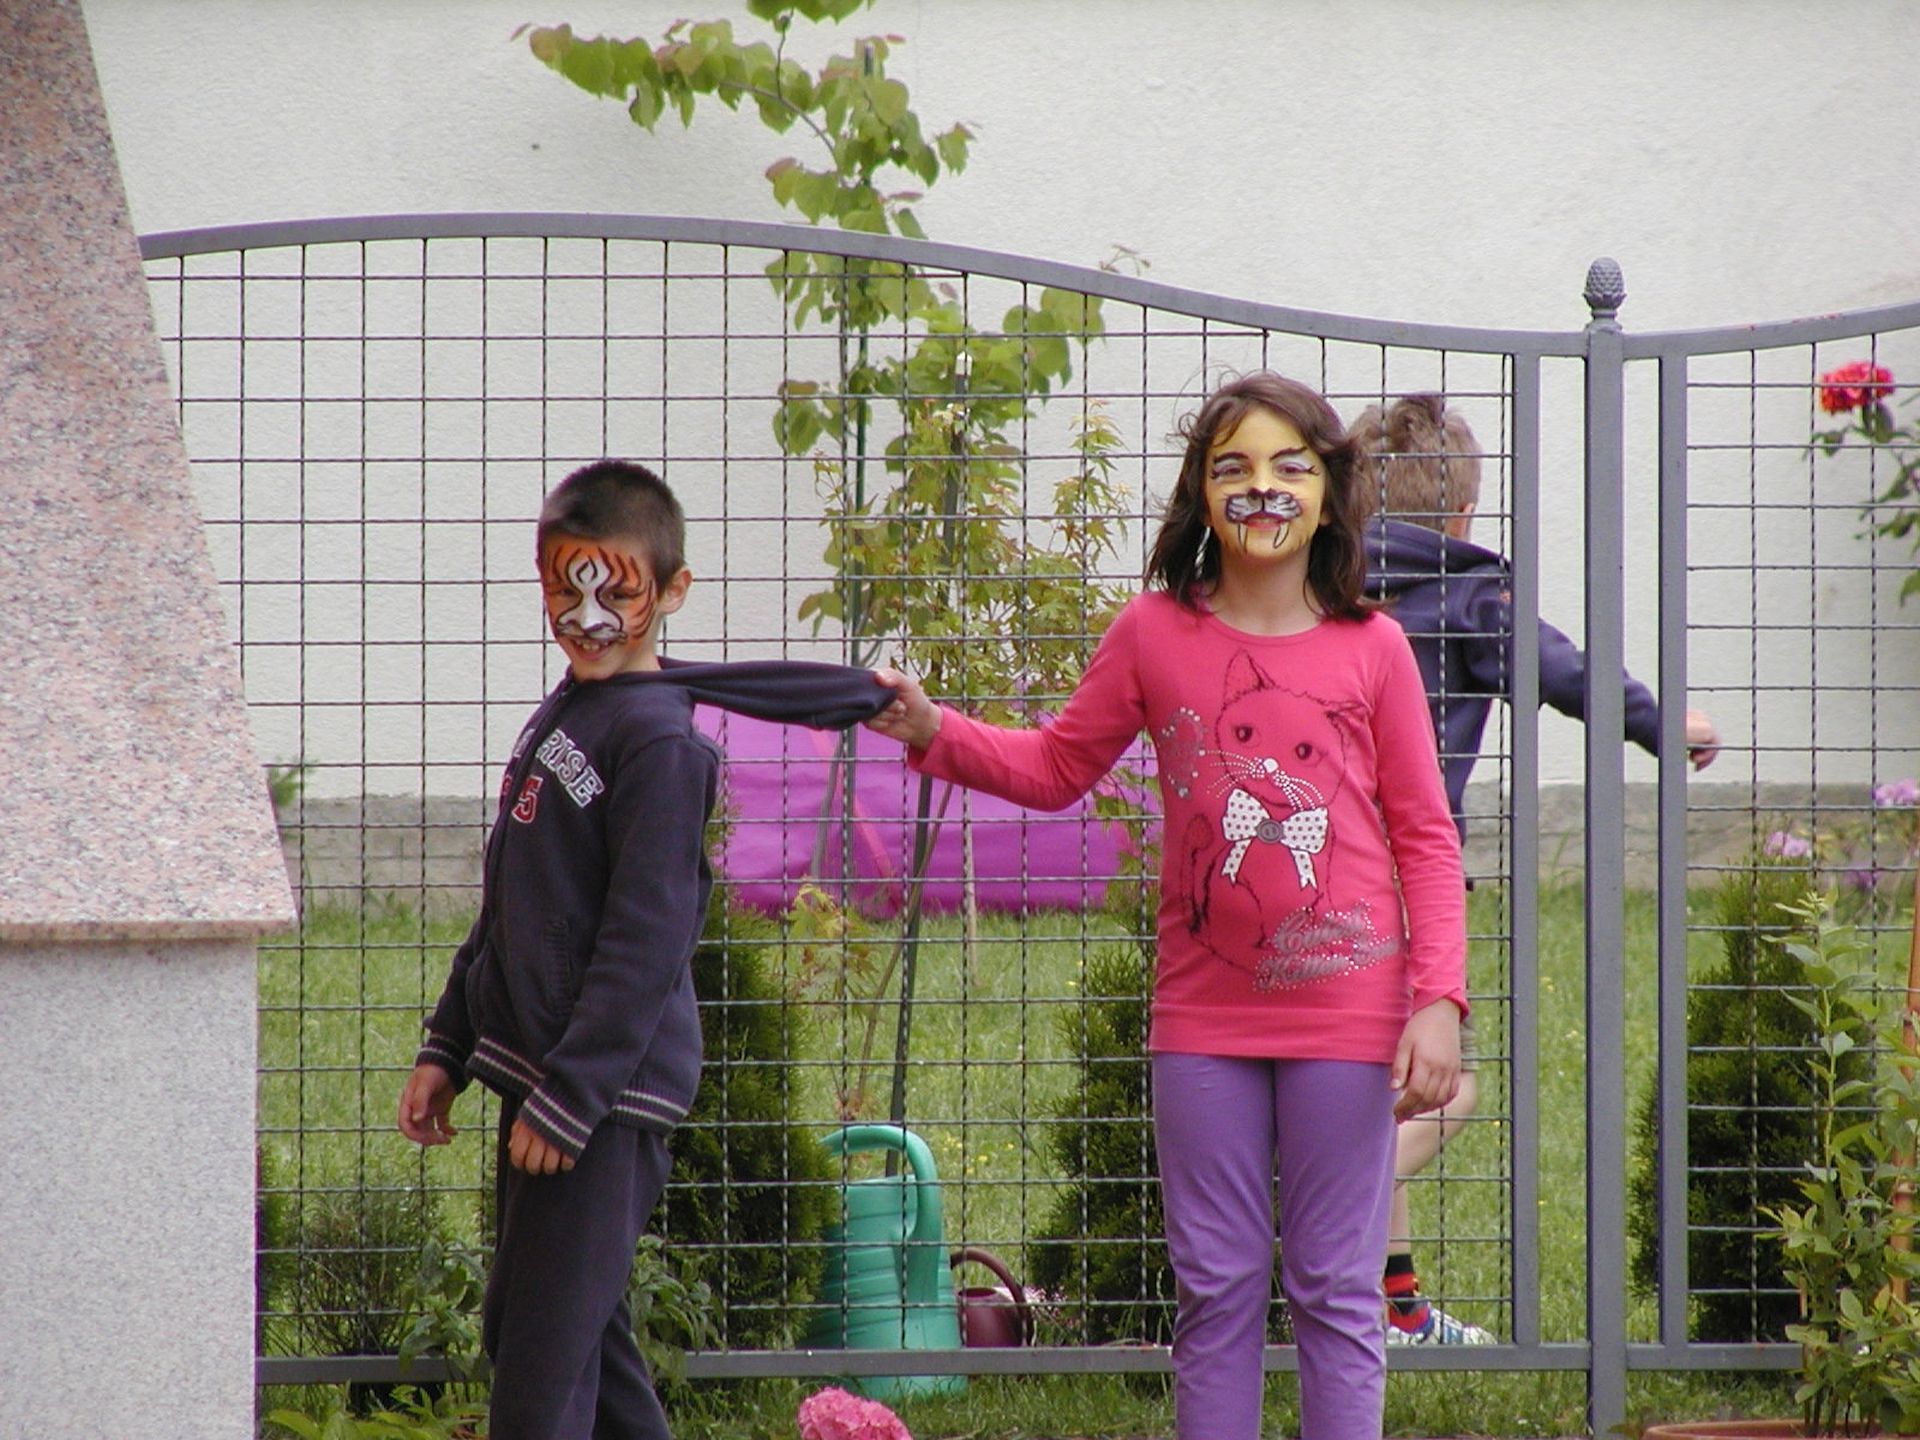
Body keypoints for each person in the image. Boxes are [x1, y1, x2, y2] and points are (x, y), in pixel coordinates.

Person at [868, 372, 1469, 1440]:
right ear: (1200, 491)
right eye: (1233, 467)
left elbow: (1426, 834)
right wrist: (932, 731)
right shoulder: (1153, 632)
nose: (1262, 488)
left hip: (1349, 1021)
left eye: (1289, 466)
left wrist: (1438, 1001)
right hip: (1203, 1025)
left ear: (1329, 490)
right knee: (1217, 1293)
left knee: (1336, 1292)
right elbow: (1057, 765)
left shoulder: (1373, 647)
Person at [398, 459, 889, 1440]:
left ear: (671, 591)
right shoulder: (570, 709)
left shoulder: (662, 745)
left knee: (538, 1360)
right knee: (571, 1335)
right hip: (550, 1076)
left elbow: (648, 939)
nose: (584, 617)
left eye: (613, 592)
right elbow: (512, 901)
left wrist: (575, 1093)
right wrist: (448, 1044)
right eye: (563, 588)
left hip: (601, 1098)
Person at [1350, 392, 1721, 1346]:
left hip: (1310, 867)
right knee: (1439, 1089)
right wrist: (1660, 722)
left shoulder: (1321, 591)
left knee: (1377, 1083)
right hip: (1404, 884)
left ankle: (1394, 1308)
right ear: (1465, 512)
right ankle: (1328, 1207)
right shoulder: (1470, 598)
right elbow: (1564, 673)